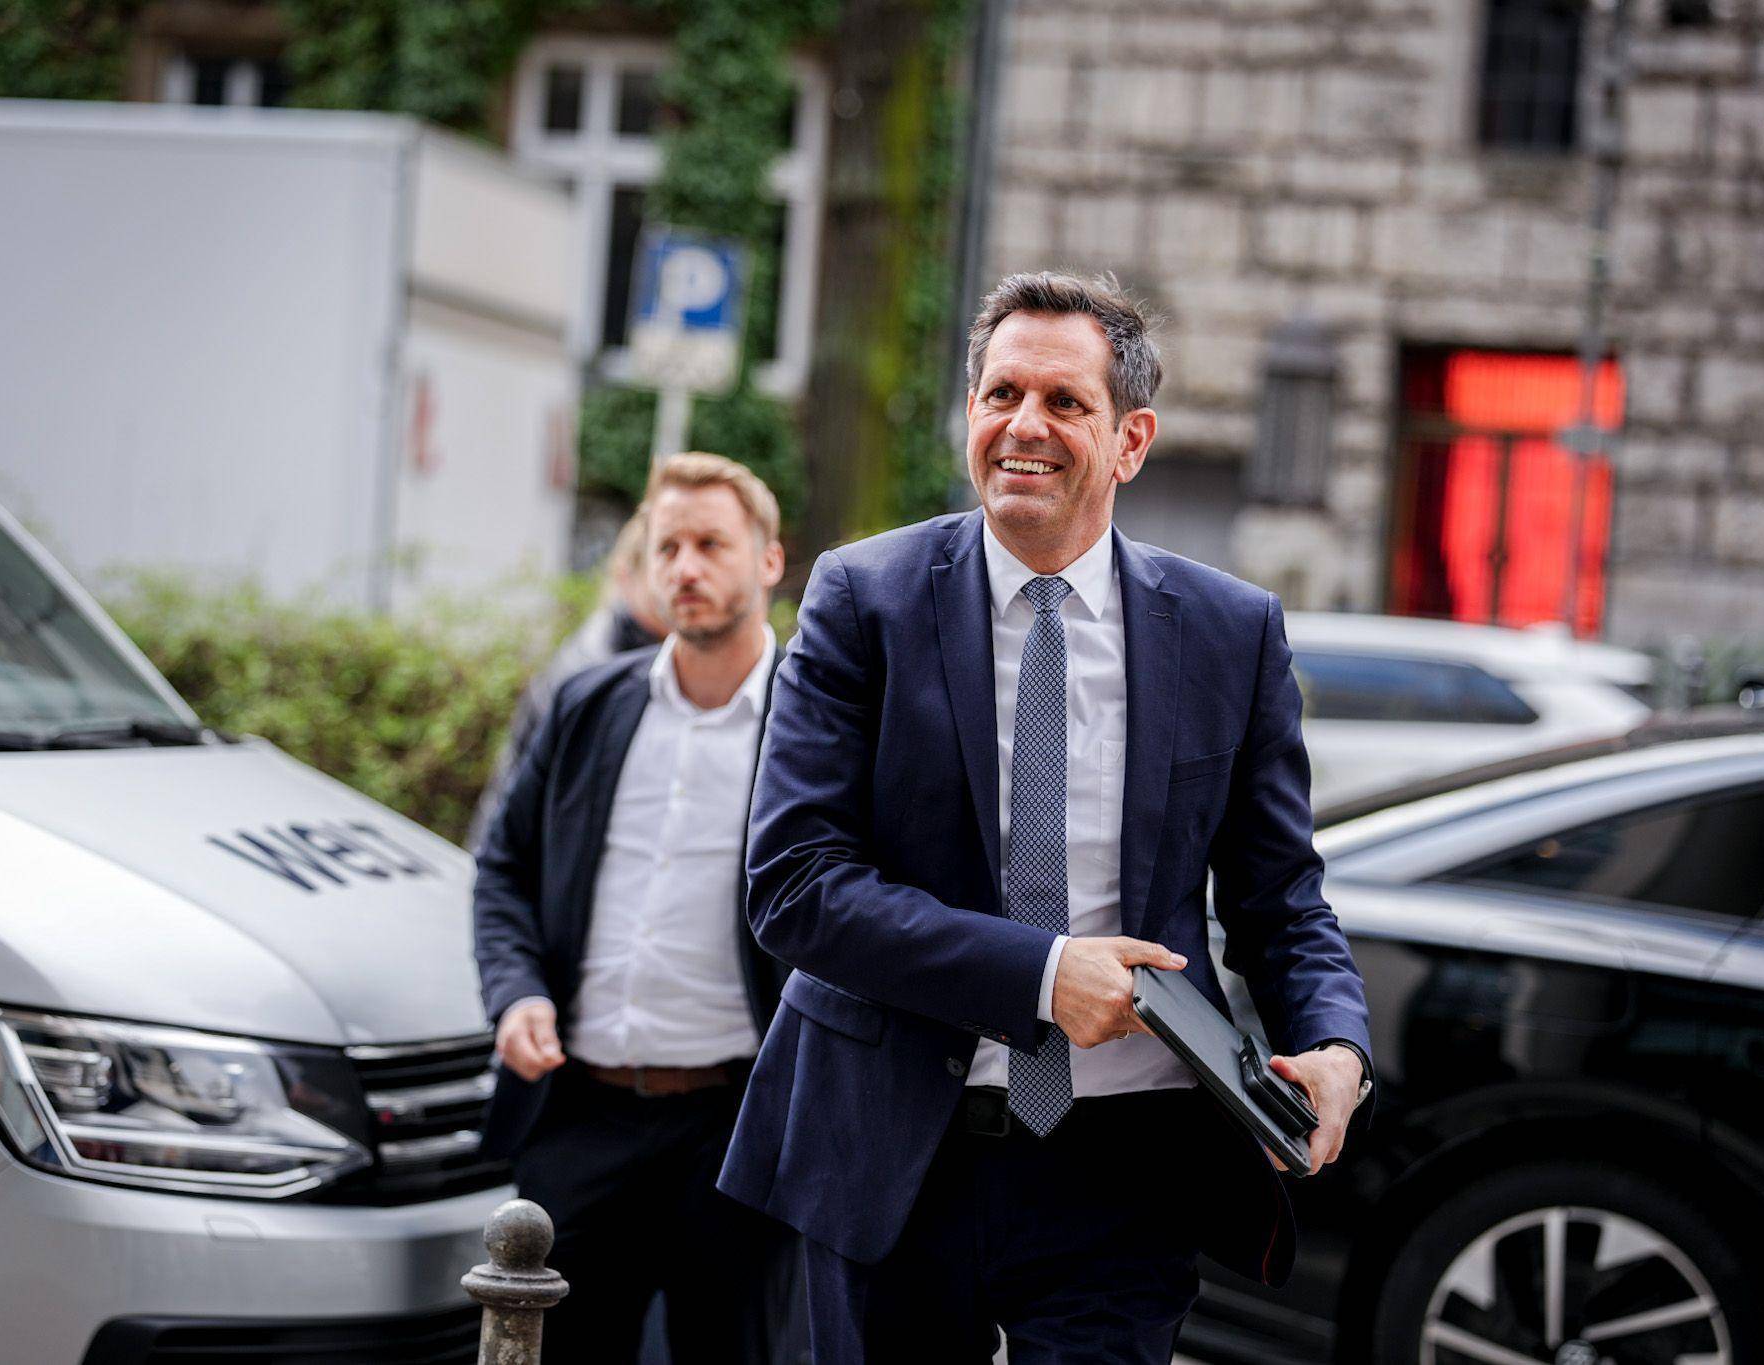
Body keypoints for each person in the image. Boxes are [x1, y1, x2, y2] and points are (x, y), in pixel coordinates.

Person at [719, 272, 1373, 1363]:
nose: (1025, 425)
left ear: (1130, 441)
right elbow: (795, 886)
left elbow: (1280, 899)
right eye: (1001, 394)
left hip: (1125, 1167)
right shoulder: (860, 599)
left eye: (1065, 402)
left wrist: (1336, 1044)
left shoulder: (1230, 631)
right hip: (892, 1149)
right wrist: (1041, 975)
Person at [473, 453, 795, 1363]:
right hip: (581, 1116)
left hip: (735, 1127)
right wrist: (516, 991)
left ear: (769, 561)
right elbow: (503, 867)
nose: (685, 567)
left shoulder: (816, 720)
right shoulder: (586, 703)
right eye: (667, 547)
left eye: (711, 545)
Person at [465, 510, 668, 851]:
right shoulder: (594, 668)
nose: (679, 577)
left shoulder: (641, 652)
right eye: (663, 560)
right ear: (625, 576)